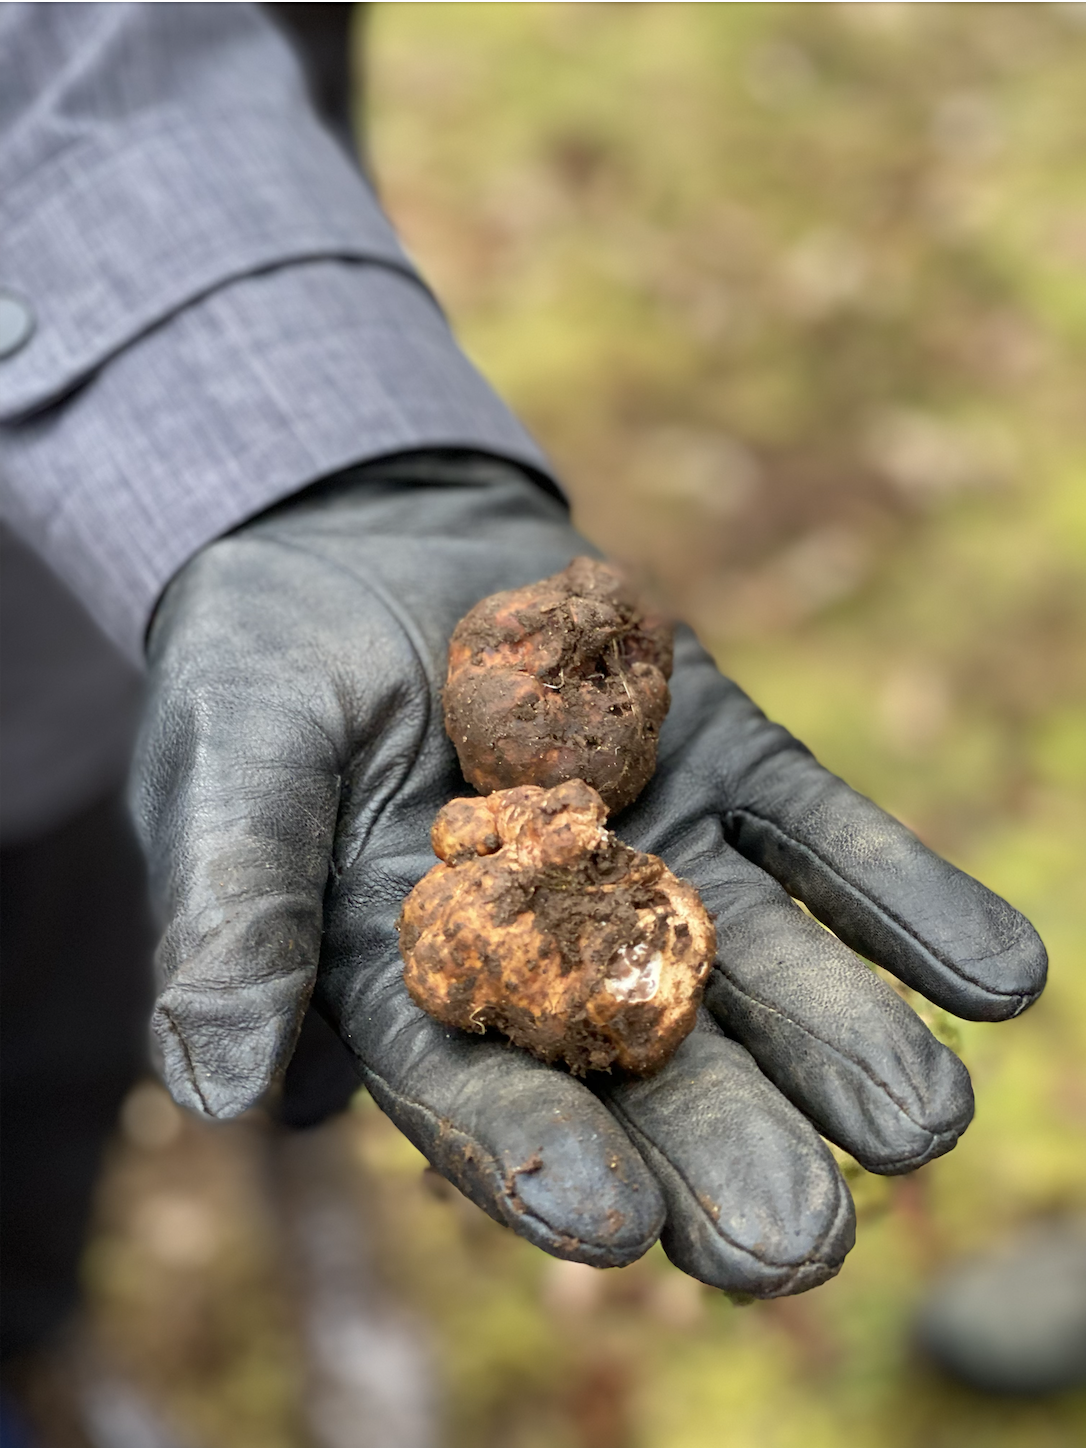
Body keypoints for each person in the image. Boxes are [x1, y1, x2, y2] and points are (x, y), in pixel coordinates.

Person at [1, 0, 1048, 1405]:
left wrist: (318, 458)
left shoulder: (543, 814)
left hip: (184, 273)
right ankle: (38, 1329)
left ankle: (302, 1198)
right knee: (61, 1020)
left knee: (251, 927)